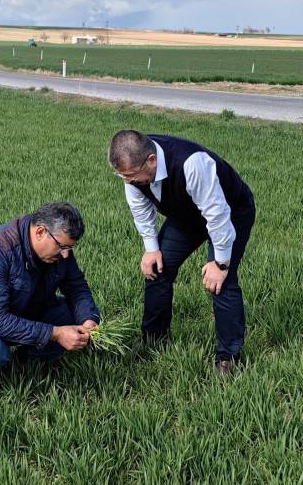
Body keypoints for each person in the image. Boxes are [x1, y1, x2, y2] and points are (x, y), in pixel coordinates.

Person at [108, 130, 255, 376]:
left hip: (230, 211)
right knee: (157, 269)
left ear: (151, 160)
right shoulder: (132, 172)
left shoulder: (192, 163)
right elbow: (140, 208)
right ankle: (153, 340)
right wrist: (151, 249)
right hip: (186, 214)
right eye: (122, 176)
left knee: (221, 282)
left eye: (131, 176)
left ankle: (228, 357)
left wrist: (220, 264)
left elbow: (217, 217)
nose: (128, 182)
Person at [0, 202, 99, 378]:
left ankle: (24, 361)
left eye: (70, 248)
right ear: (40, 232)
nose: (65, 255)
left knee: (81, 316)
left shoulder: (58, 247)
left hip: (20, 307)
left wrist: (88, 320)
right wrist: (55, 333)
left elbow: (76, 287)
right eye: (61, 246)